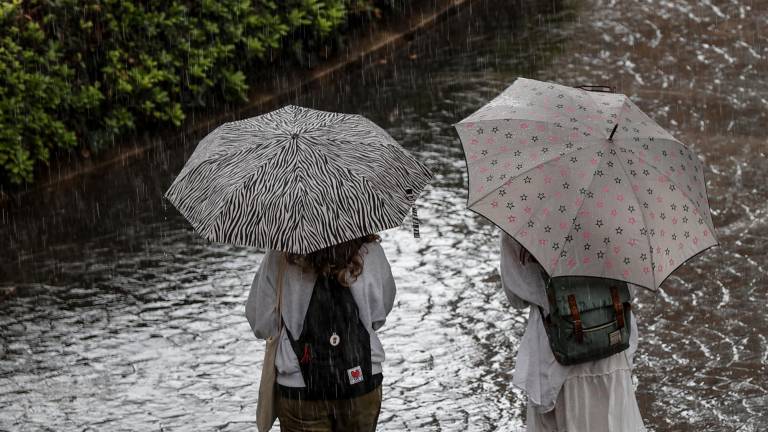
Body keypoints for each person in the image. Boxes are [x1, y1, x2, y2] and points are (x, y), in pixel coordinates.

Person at [246, 234, 395, 432]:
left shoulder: (279, 256)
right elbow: (380, 313)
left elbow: (261, 324)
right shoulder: (370, 251)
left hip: (300, 389)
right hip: (362, 380)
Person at [499, 232, 646, 431]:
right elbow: (631, 288)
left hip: (554, 354)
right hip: (611, 342)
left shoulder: (521, 217)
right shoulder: (620, 214)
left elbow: (515, 295)